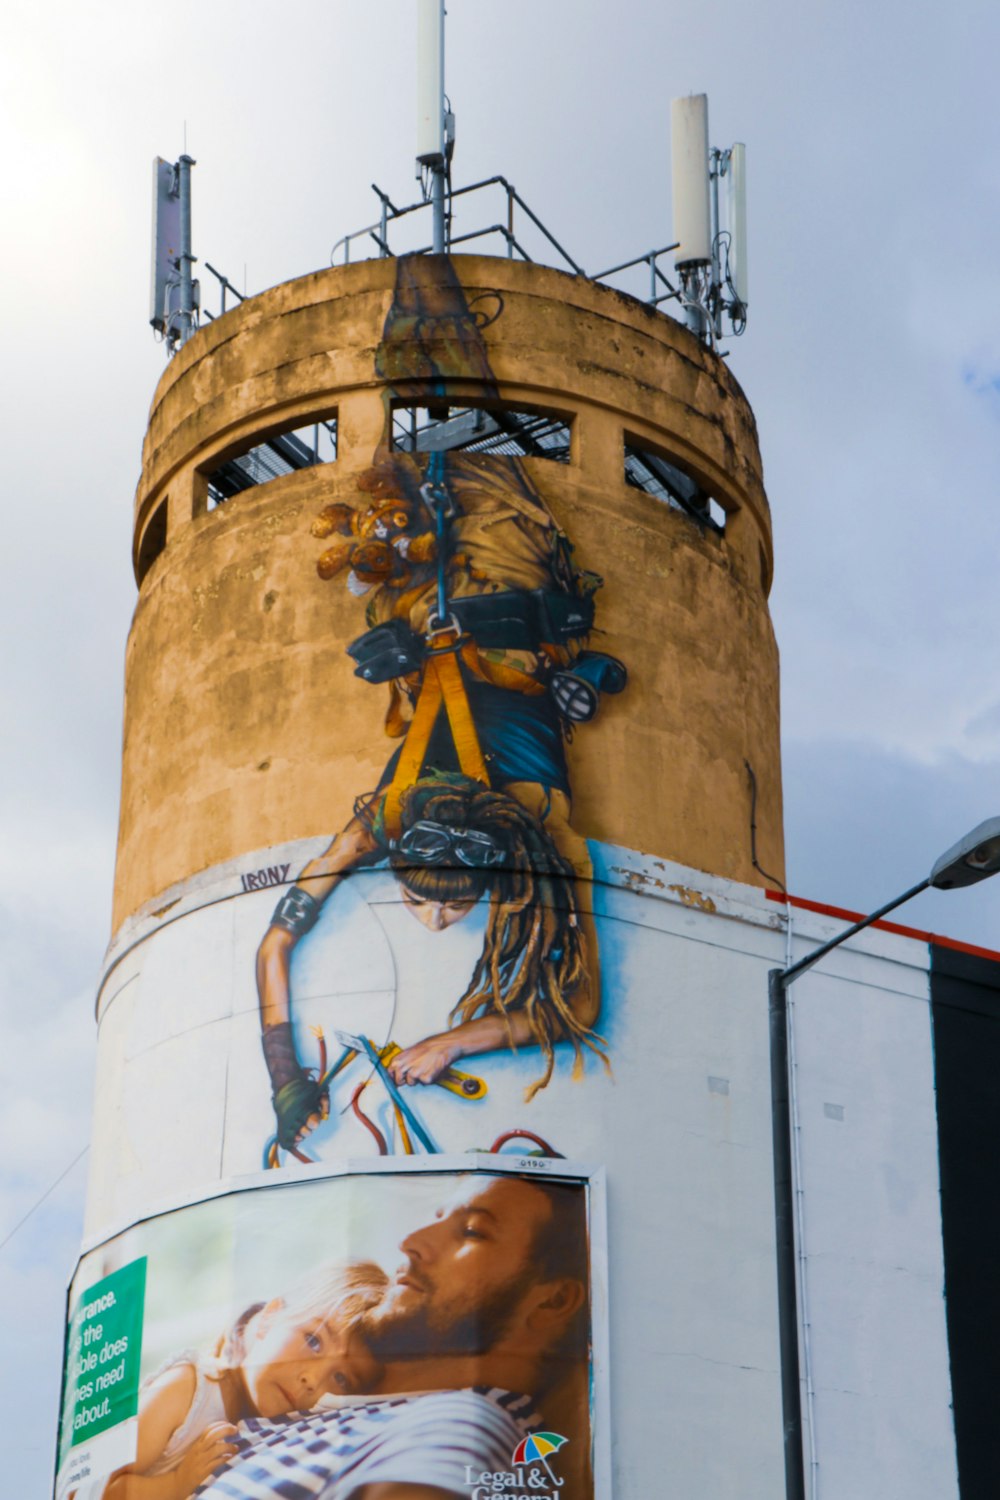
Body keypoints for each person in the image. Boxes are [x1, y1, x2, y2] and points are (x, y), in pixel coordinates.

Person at [258, 773, 608, 1153]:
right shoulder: (366, 835)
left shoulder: (550, 837)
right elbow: (275, 944)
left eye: (458, 905)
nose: (434, 921)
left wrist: (451, 1043)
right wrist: (285, 1078)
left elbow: (582, 1006)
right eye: (415, 899)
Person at [193, 1174, 591, 1500]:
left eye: (472, 1231)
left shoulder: (460, 1426)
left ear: (552, 1301)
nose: (410, 1241)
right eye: (437, 1217)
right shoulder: (333, 1409)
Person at [100, 1262, 386, 1500]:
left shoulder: (279, 1434)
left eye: (340, 1378)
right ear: (269, 1318)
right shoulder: (187, 1387)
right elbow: (95, 1491)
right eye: (313, 1340)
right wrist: (177, 1482)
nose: (311, 1380)